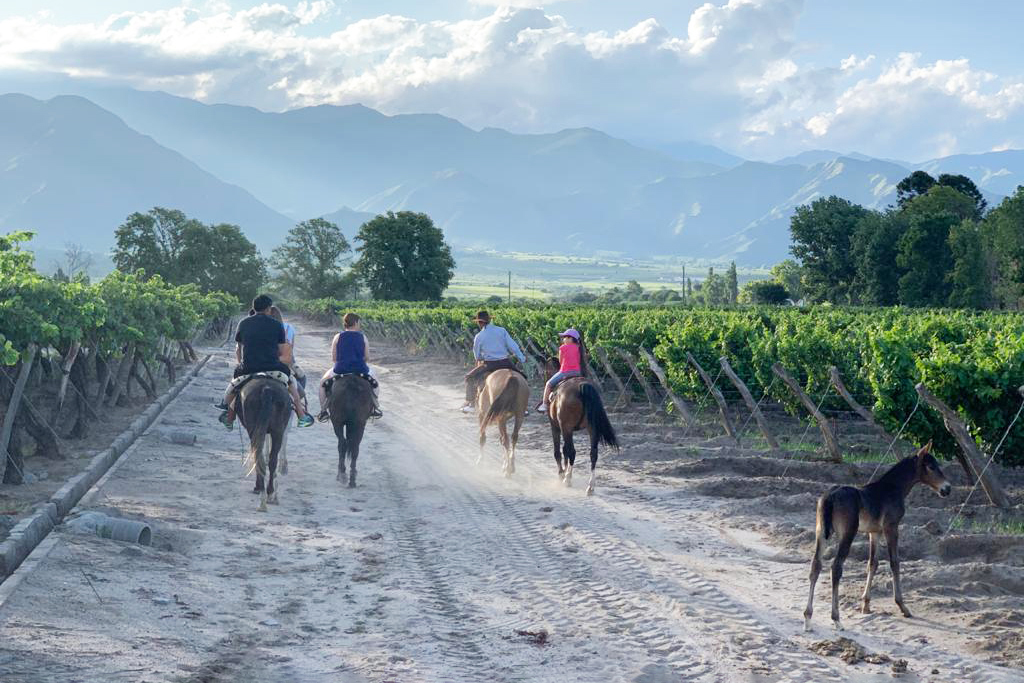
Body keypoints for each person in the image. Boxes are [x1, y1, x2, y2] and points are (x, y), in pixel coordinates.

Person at [217, 294, 314, 430]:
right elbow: (281, 349)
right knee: (291, 382)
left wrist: (242, 363)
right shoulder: (276, 325)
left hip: (249, 367)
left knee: (235, 384)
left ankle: (228, 415)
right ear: (268, 309)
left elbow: (239, 348)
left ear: (254, 308)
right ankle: (301, 414)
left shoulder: (243, 323)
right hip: (273, 366)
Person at [317, 312, 382, 422]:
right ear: (356, 322)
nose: (359, 325)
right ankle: (374, 408)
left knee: (322, 384)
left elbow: (334, 358)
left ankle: (323, 411)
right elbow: (367, 357)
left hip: (340, 369)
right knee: (375, 383)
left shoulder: (338, 337)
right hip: (361, 369)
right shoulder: (363, 337)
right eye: (359, 322)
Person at [461, 310, 527, 413]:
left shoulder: (479, 336)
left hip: (489, 364)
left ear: (480, 322)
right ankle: (523, 407)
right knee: (522, 378)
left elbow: (477, 355)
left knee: (469, 378)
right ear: (489, 320)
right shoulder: (502, 330)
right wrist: (522, 358)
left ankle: (472, 405)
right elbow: (513, 346)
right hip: (505, 362)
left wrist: (481, 357)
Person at [537, 328, 583, 412]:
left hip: (565, 372)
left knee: (548, 384)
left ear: (571, 338)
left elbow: (561, 361)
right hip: (577, 372)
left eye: (565, 337)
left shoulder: (562, 348)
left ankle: (544, 404)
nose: (563, 339)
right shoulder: (578, 348)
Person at [269, 305, 307, 404]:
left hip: (265, 359)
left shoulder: (264, 328)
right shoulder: (289, 328)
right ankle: (297, 401)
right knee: (302, 377)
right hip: (287, 361)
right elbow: (291, 347)